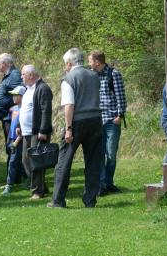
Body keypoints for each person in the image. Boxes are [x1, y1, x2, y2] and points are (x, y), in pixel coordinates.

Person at [49, 48, 102, 208]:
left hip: (77, 121)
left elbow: (69, 105)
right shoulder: (94, 76)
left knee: (64, 161)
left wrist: (69, 128)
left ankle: (58, 200)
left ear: (69, 63)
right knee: (93, 162)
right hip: (95, 120)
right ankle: (90, 200)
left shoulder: (69, 78)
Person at [88, 50, 127, 196]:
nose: (89, 63)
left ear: (97, 62)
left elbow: (121, 95)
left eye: (90, 61)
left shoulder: (114, 74)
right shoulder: (91, 75)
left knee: (111, 154)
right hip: (97, 120)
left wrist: (120, 115)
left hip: (111, 120)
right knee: (99, 153)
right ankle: (102, 184)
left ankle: (109, 183)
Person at [20, 65, 53, 200]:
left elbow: (46, 110)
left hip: (37, 132)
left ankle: (37, 191)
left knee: (36, 162)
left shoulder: (42, 88)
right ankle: (41, 186)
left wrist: (43, 130)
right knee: (25, 160)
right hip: (26, 132)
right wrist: (19, 127)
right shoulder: (28, 89)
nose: (21, 77)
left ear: (31, 75)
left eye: (23, 74)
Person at [1, 86, 27, 196]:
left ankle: (9, 185)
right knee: (17, 161)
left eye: (16, 95)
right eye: (13, 95)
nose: (13, 97)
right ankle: (28, 180)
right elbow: (12, 126)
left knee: (13, 161)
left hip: (19, 140)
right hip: (11, 138)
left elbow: (22, 128)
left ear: (23, 96)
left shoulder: (25, 109)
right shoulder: (13, 109)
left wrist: (17, 141)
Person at [0, 53, 23, 145]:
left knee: (12, 143)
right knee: (9, 143)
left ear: (4, 63)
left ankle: (13, 159)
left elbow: (22, 91)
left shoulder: (14, 74)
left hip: (11, 117)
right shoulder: (8, 75)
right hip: (6, 116)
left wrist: (14, 106)